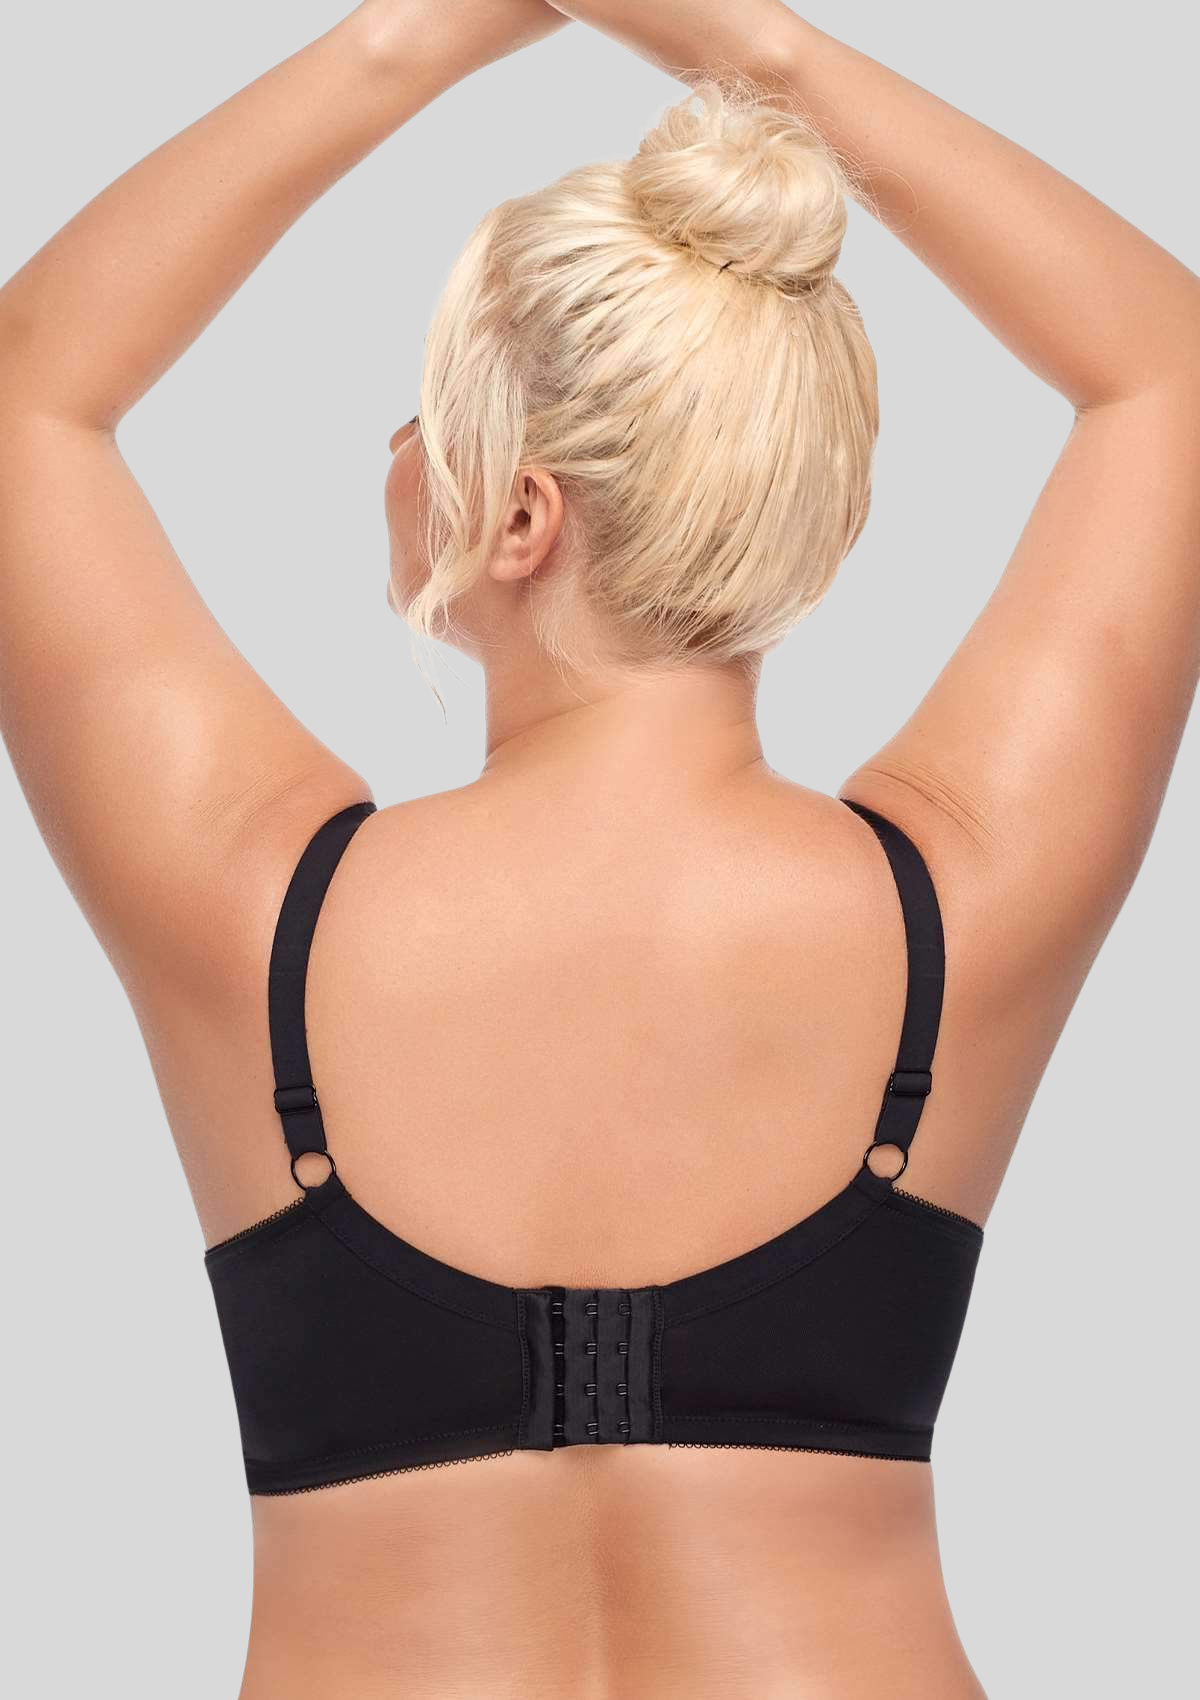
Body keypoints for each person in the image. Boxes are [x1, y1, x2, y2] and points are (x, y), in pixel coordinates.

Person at [1, 1, 1195, 1695]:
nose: (395, 453)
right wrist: (758, 45)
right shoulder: (959, 903)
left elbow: (27, 391)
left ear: (519, 517)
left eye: (425, 413)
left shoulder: (253, 908)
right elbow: (1168, 369)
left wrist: (411, 36)